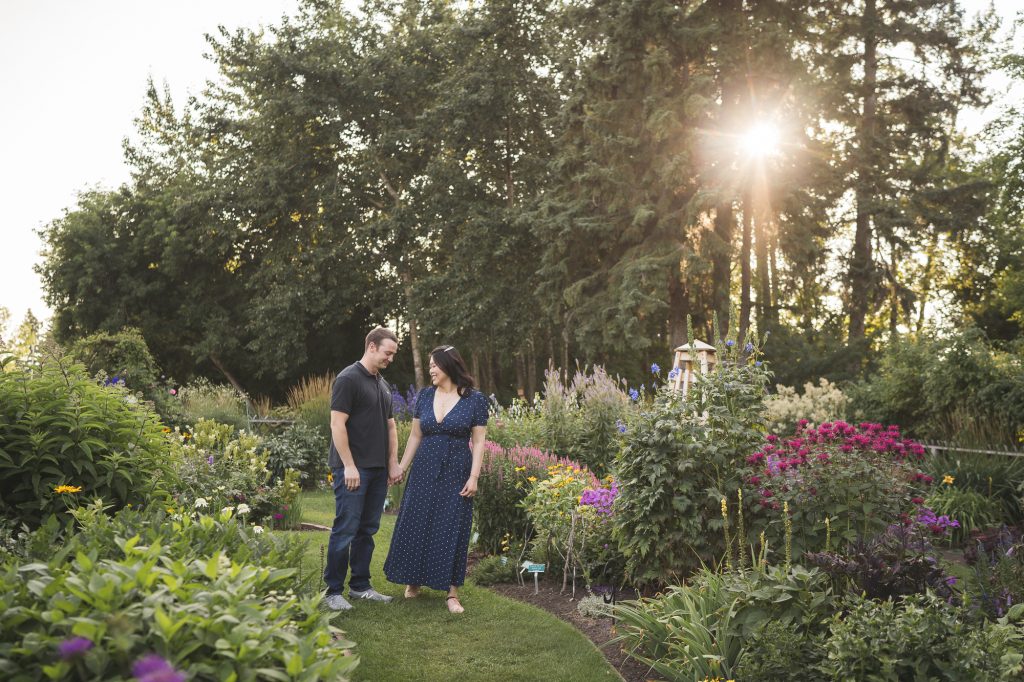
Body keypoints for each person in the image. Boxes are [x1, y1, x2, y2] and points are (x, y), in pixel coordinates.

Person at [384, 345, 489, 614]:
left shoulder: (474, 399)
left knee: (453, 525)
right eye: (429, 365)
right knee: (416, 519)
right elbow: (416, 435)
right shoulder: (425, 395)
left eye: (434, 365)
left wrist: (474, 476)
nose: (430, 370)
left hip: (457, 470)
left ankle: (451, 593)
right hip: (424, 468)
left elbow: (478, 441)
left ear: (449, 366)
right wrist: (401, 468)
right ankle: (414, 581)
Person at [323, 326, 403, 611]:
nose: (390, 359)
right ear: (371, 346)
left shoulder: (381, 383)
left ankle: (360, 586)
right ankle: (332, 591)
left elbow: (391, 426)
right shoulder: (348, 379)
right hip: (354, 470)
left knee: (367, 530)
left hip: (378, 470)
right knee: (345, 528)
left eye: (393, 354)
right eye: (387, 353)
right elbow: (337, 424)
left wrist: (393, 462)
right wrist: (348, 466)